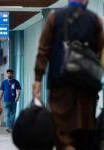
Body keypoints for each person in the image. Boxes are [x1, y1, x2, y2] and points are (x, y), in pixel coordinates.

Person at [33, 0, 104, 150]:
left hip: (61, 84)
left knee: (62, 129)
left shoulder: (54, 17)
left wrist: (38, 80)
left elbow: (43, 50)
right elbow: (101, 52)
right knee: (85, 129)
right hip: (87, 86)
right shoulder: (95, 20)